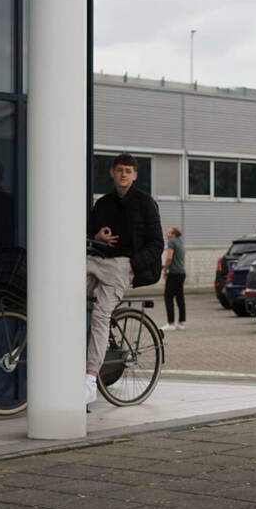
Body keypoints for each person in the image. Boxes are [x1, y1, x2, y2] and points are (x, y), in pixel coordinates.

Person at [86, 153, 163, 404]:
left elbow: (157, 243)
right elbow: (88, 232)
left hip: (122, 265)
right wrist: (97, 236)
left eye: (128, 171)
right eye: (119, 170)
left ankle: (89, 378)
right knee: (62, 292)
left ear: (135, 175)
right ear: (111, 172)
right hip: (97, 260)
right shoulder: (103, 203)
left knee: (100, 314)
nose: (123, 174)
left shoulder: (145, 203)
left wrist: (132, 265)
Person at [161, 227, 186, 330]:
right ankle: (181, 323)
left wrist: (165, 268)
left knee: (168, 297)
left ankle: (170, 323)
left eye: (169, 232)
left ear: (174, 234)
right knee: (180, 298)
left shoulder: (171, 242)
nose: (167, 234)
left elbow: (169, 257)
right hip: (181, 273)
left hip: (174, 273)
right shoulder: (180, 242)